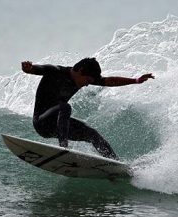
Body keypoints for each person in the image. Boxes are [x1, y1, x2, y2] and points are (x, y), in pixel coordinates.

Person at [21, 57, 154, 159]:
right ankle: (63, 149)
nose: (86, 85)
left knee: (93, 134)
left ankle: (115, 163)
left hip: (59, 124)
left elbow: (109, 81)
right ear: (79, 71)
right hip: (42, 122)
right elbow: (37, 69)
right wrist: (29, 69)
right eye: (88, 81)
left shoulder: (81, 77)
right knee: (65, 107)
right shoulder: (56, 71)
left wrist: (135, 80)